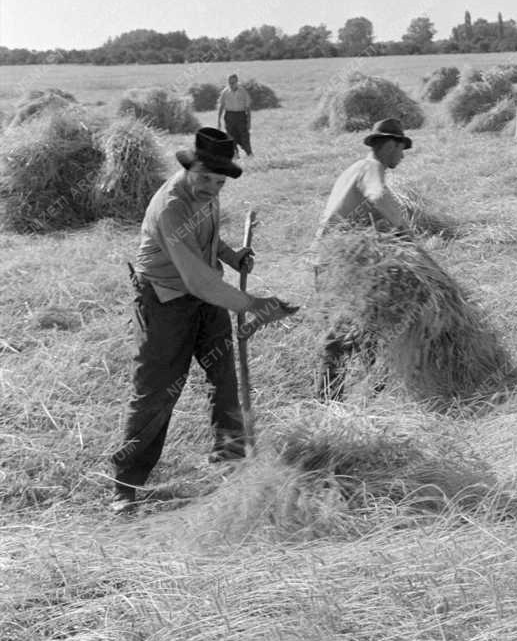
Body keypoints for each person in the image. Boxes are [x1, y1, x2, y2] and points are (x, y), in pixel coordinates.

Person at [111, 128, 296, 512]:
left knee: (224, 377)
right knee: (157, 391)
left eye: (219, 181)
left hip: (207, 295)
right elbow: (193, 279)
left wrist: (231, 256)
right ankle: (125, 485)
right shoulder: (171, 206)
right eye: (206, 178)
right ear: (189, 167)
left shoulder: (205, 194)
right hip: (165, 301)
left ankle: (231, 459)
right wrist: (253, 304)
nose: (212, 188)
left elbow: (207, 242)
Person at [311, 118, 414, 400]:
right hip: (339, 261)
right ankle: (328, 403)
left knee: (366, 325)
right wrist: (404, 231)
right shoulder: (372, 168)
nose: (402, 155)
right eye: (401, 148)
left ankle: (377, 391)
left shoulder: (354, 168)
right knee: (342, 331)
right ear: (390, 144)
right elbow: (378, 195)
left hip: (335, 257)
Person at [217, 74, 253, 157]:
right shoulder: (225, 92)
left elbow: (248, 108)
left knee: (244, 135)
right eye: (230, 83)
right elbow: (221, 106)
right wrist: (218, 120)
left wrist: (249, 122)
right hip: (229, 116)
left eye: (233, 82)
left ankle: (249, 153)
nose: (231, 84)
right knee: (230, 136)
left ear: (237, 82)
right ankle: (235, 154)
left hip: (241, 116)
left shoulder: (243, 92)